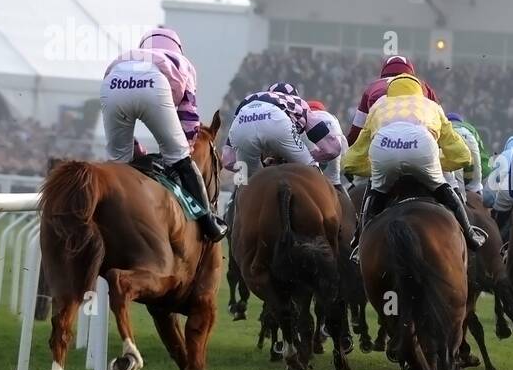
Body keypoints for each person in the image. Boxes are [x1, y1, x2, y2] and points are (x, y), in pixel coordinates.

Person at [100, 27, 226, 241]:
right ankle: (209, 223)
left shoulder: (126, 57)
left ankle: (104, 220)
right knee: (180, 157)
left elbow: (120, 126)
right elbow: (189, 115)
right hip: (153, 84)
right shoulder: (181, 62)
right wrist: (182, 149)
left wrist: (139, 154)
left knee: (118, 163)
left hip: (113, 82)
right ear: (177, 48)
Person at [342, 73, 485, 257]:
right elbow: (463, 156)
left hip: (385, 147)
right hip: (422, 147)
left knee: (375, 191)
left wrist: (377, 167)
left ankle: (360, 244)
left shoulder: (378, 105)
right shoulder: (432, 106)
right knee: (442, 187)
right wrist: (437, 163)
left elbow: (350, 163)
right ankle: (471, 235)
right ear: (420, 91)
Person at [221, 82, 342, 181]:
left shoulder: (247, 100)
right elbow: (332, 149)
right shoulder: (299, 103)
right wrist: (310, 158)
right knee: (311, 170)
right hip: (277, 123)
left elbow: (228, 160)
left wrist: (259, 166)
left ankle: (237, 209)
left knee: (250, 182)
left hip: (243, 122)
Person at [345, 55, 440, 146]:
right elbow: (439, 120)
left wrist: (348, 148)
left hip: (383, 142)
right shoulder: (423, 86)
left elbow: (357, 129)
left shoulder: (372, 87)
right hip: (418, 142)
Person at [306, 99, 348, 194]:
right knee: (335, 181)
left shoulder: (305, 116)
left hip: (310, 153)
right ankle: (350, 208)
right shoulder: (332, 118)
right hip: (334, 152)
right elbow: (345, 156)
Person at [445, 112, 484, 201]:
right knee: (475, 185)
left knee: (457, 186)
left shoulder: (445, 125)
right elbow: (481, 155)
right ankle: (478, 192)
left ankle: (461, 200)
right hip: (469, 137)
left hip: (452, 136)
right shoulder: (469, 127)